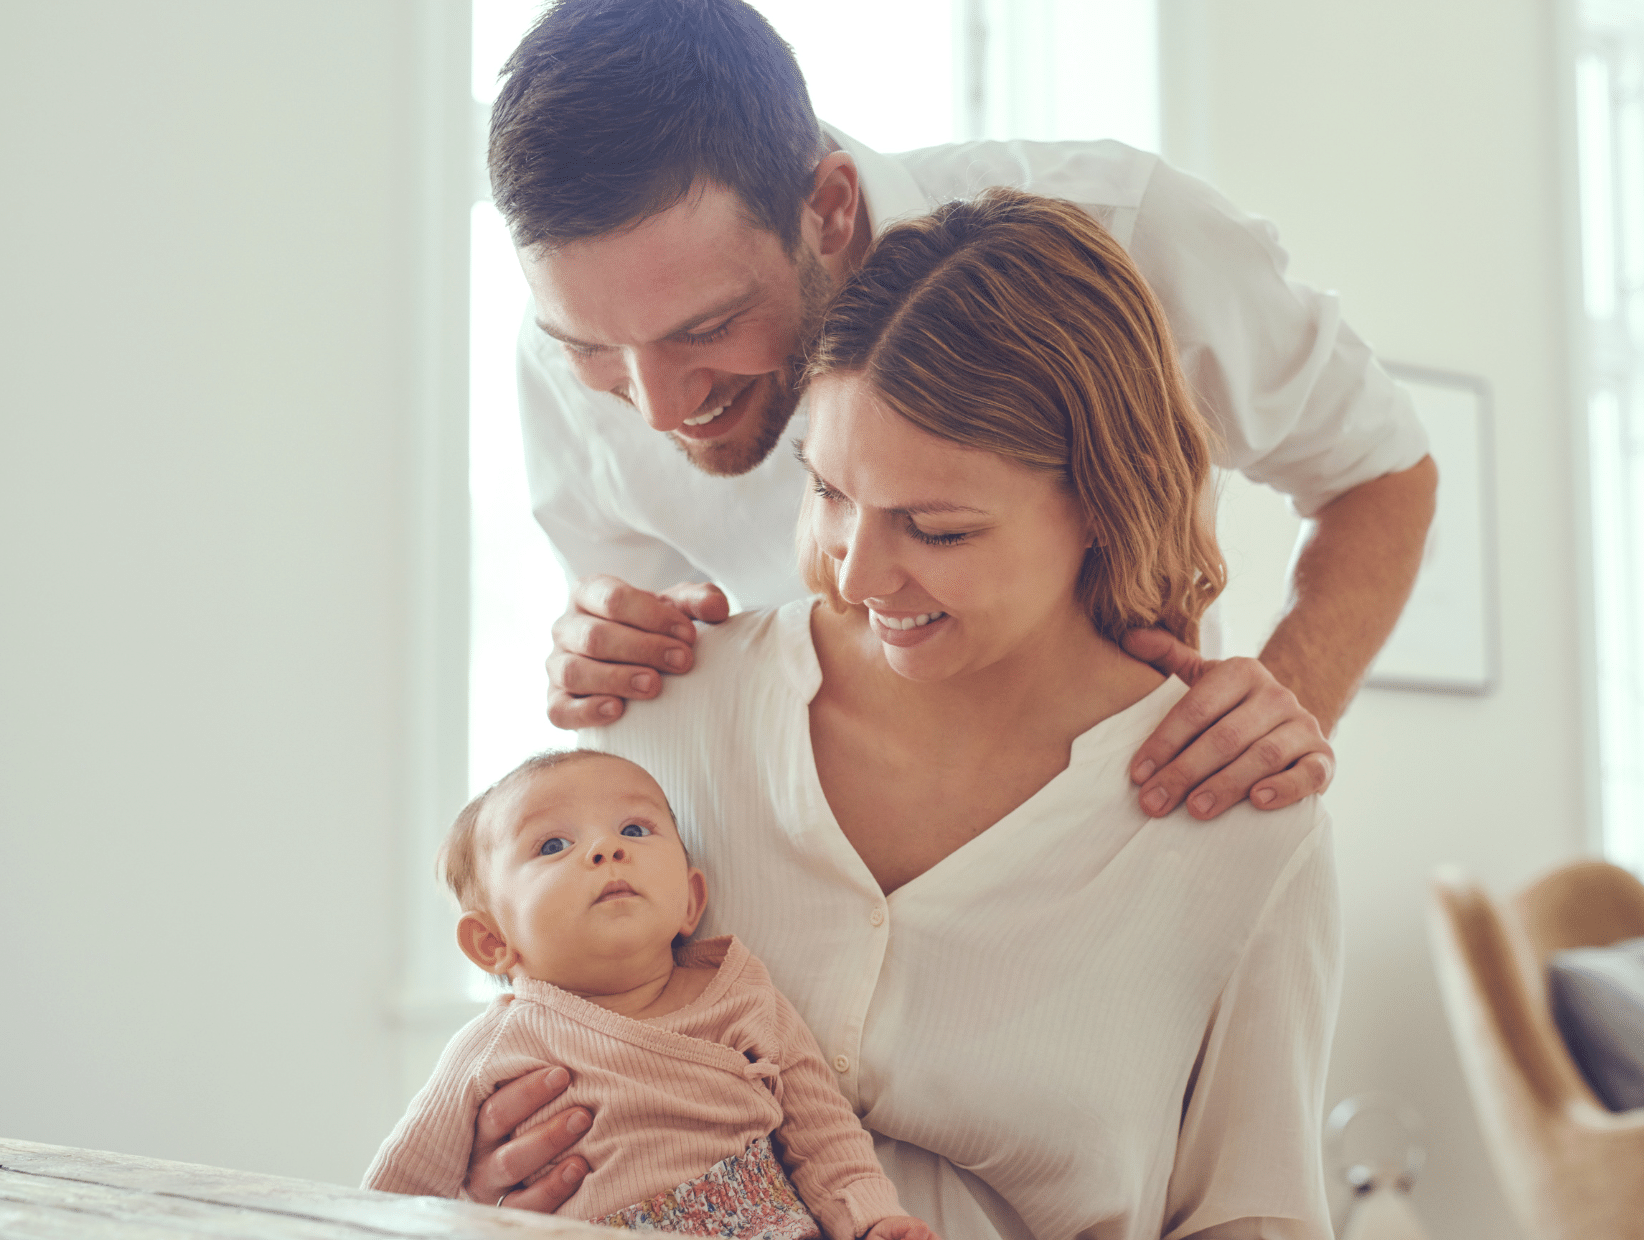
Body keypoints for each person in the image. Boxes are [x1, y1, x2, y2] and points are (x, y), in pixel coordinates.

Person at [515, 191, 1340, 1237]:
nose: (858, 572)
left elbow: (1253, 1217)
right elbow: (528, 1053)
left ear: (1098, 502)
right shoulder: (657, 717)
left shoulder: (1241, 830)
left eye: (936, 529)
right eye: (828, 493)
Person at [490, 0, 1435, 830]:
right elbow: (662, 691)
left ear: (826, 209)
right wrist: (607, 657)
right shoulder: (562, 368)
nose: (658, 407)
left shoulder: (1129, 236)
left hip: (1119, 846)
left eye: (709, 327)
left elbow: (1380, 469)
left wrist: (1281, 711)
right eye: (592, 346)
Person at [364, 748, 941, 1240]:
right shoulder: (499, 1045)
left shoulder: (742, 995)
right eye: (553, 845)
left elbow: (823, 1134)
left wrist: (872, 1218)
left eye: (634, 830)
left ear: (691, 901)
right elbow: (396, 1190)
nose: (606, 850)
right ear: (492, 941)